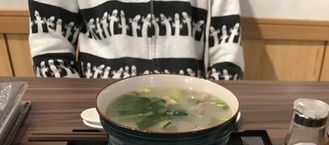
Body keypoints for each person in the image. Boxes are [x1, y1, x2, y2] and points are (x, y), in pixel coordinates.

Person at [28, 0, 244, 80]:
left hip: (192, 103)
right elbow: (51, 54)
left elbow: (227, 54)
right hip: (97, 104)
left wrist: (211, 108)